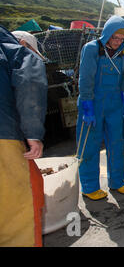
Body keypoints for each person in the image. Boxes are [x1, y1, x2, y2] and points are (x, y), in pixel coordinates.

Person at [76, 15, 124, 201]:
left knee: (116, 143)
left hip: (115, 104)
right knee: (89, 146)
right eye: (114, 37)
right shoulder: (91, 49)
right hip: (93, 103)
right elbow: (85, 79)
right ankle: (89, 186)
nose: (117, 42)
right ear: (107, 34)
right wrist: (87, 106)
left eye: (121, 39)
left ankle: (117, 181)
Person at [0, 25, 47, 246]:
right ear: (24, 45)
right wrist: (32, 133)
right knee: (21, 212)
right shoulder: (10, 48)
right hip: (5, 137)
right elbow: (29, 81)